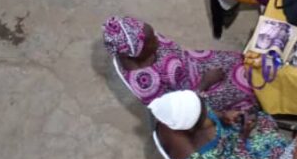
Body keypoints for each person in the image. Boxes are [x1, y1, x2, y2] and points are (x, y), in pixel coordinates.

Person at [151, 90, 286, 159]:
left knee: (262, 118)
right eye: (206, 118)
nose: (210, 116)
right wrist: (243, 137)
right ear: (190, 129)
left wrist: (223, 115)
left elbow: (205, 111)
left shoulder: (170, 115)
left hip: (224, 149)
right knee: (278, 145)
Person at [103, 15, 256, 111]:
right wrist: (205, 83)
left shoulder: (142, 41)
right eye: (152, 40)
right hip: (196, 94)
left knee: (242, 61)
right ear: (137, 52)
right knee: (250, 86)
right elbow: (179, 111)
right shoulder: (146, 85)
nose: (157, 38)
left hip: (193, 62)